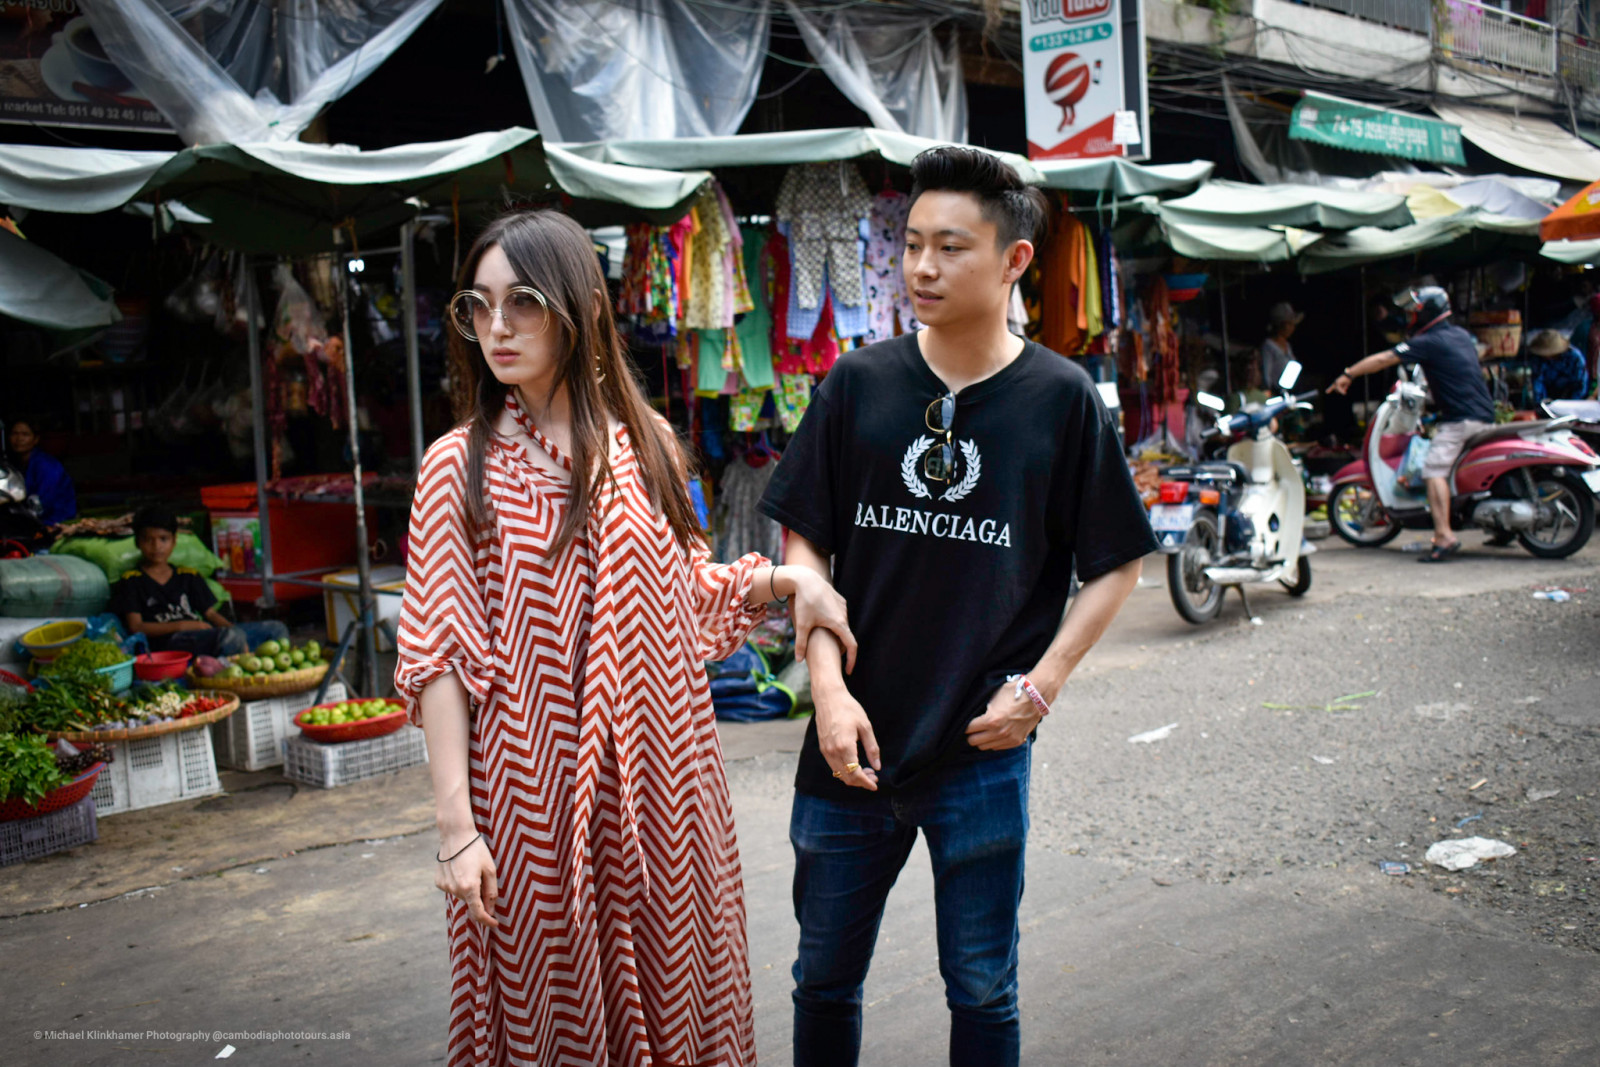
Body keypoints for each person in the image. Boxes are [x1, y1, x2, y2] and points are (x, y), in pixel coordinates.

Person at [393, 209, 855, 1067]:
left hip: (665, 786)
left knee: (682, 993)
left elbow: (682, 594)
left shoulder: (648, 445)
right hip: (531, 794)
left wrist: (790, 580)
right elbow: (440, 657)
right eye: (478, 305)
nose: (497, 328)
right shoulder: (459, 464)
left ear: (580, 308)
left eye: (523, 302)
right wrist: (458, 826)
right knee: (550, 1013)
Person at [758, 147, 1157, 1067]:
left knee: (981, 986)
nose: (922, 268)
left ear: (1015, 261)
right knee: (822, 978)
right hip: (849, 745)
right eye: (910, 245)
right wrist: (825, 686)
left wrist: (1041, 687)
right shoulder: (858, 383)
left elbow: (1117, 562)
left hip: (980, 748)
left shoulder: (1060, 401)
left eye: (950, 247)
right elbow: (806, 542)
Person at [1328, 286, 1495, 562]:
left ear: (1425, 312)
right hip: (1482, 414)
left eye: (1412, 311)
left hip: (1461, 421)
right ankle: (1499, 529)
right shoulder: (1460, 336)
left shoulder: (1428, 342)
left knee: (1433, 471)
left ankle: (1443, 536)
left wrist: (1348, 374)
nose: (1408, 316)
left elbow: (1385, 359)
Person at [111, 506, 289, 656]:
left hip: (205, 635)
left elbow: (211, 614)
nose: (157, 547)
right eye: (148, 540)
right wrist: (182, 625)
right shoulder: (132, 581)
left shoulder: (187, 576)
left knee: (275, 629)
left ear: (174, 541)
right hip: (170, 643)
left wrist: (235, 631)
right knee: (227, 639)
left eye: (163, 539)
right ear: (137, 543)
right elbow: (136, 626)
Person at [7, 417, 76, 526]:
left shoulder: (46, 465)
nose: (19, 439)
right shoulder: (14, 464)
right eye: (14, 434)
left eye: (25, 434)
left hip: (57, 520)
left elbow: (45, 503)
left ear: (36, 439)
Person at [1526, 328, 1591, 403]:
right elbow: (1537, 382)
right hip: (1549, 398)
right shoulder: (1538, 359)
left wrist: (1571, 403)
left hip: (1571, 398)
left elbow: (1580, 385)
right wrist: (1542, 402)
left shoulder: (1575, 357)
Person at [1259, 301, 1304, 390]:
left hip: (1290, 390)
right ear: (1280, 324)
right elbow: (1266, 373)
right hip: (1275, 391)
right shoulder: (1268, 345)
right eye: (1289, 324)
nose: (1292, 328)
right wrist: (1268, 390)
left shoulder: (1288, 345)